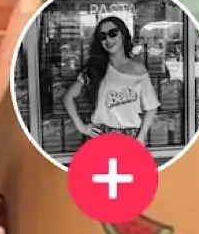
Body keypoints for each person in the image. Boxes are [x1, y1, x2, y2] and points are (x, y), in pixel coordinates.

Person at [62, 16, 160, 144]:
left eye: (113, 33)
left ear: (123, 35)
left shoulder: (138, 69)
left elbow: (152, 107)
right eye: (103, 36)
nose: (108, 39)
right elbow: (68, 97)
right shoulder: (95, 69)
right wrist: (82, 127)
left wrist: (141, 137)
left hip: (131, 138)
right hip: (100, 137)